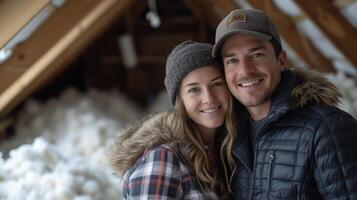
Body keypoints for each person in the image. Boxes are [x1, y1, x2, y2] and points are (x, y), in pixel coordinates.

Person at [212, 8, 357, 199]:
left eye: (256, 55)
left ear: (281, 60)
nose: (245, 71)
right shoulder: (227, 134)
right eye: (232, 60)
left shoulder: (327, 128)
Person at [108, 41, 237, 199]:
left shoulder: (223, 151)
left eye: (216, 84)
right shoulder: (163, 158)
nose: (209, 98)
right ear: (180, 100)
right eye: (194, 89)